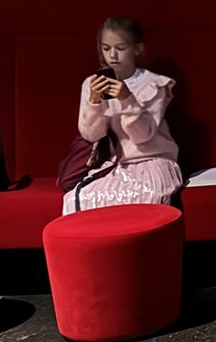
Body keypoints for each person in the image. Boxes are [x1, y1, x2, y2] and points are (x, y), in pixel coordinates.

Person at [65, 16, 182, 214]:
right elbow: (91, 135)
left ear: (137, 49)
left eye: (120, 48)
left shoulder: (154, 84)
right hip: (114, 166)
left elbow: (142, 136)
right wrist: (94, 102)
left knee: (145, 197)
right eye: (106, 48)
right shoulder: (94, 84)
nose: (112, 55)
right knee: (81, 198)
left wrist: (126, 98)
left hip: (153, 161)